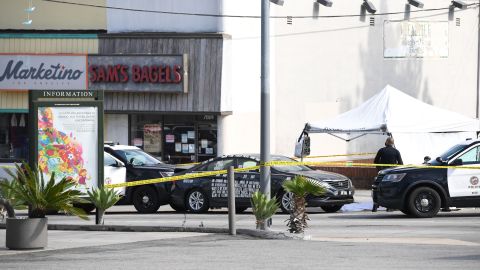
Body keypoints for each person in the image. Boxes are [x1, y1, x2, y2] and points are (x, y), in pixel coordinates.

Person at [372, 137, 403, 212]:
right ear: (392, 143)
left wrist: (379, 169)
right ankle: (389, 207)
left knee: (377, 189)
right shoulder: (396, 151)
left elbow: (375, 161)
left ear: (386, 142)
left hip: (382, 173)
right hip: (391, 174)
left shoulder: (381, 150)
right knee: (389, 189)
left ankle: (375, 206)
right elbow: (401, 163)